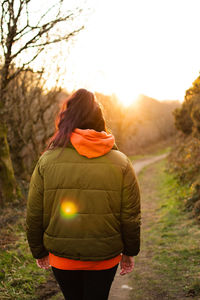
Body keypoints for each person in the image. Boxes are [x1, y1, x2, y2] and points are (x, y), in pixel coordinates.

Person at [26, 88, 141, 300]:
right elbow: (130, 215)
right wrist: (129, 251)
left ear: (66, 119)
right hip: (104, 257)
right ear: (99, 120)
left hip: (62, 258)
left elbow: (34, 212)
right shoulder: (122, 162)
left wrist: (38, 250)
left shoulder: (48, 160)